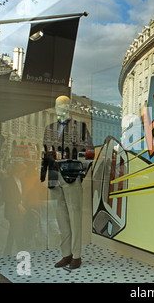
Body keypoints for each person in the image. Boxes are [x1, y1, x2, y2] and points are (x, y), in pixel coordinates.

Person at [41, 95, 91, 269]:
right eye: (57, 106)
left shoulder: (80, 127)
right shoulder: (49, 129)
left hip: (72, 177)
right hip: (54, 176)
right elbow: (45, 151)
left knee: (75, 215)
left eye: (62, 106)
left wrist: (80, 174)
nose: (59, 109)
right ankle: (66, 254)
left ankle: (77, 255)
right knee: (61, 216)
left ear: (68, 107)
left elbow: (88, 153)